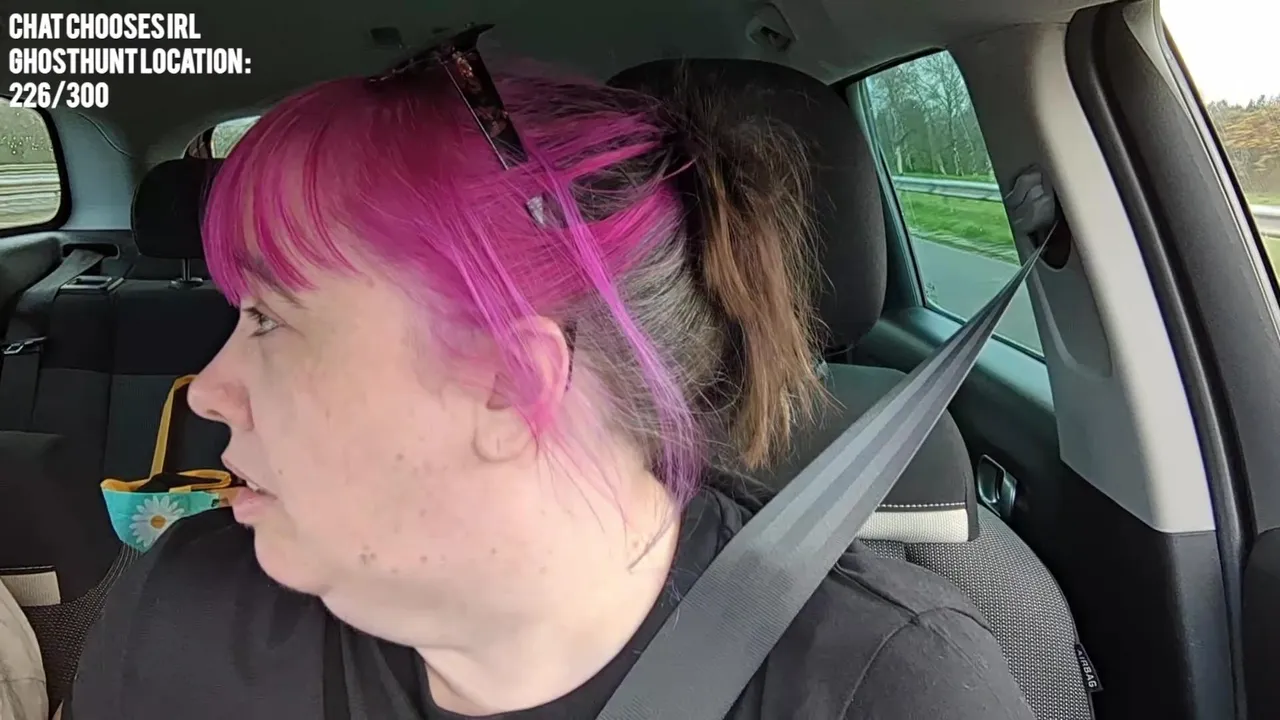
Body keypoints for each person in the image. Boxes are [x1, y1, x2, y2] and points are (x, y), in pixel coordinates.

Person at [64, 39, 1034, 720]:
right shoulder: (180, 611)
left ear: (510, 381)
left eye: (270, 319)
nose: (206, 389)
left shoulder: (889, 691)